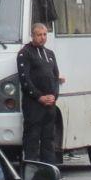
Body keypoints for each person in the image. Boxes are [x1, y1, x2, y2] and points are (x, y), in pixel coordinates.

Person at [17, 22, 63, 167]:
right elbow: (25, 79)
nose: (42, 38)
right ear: (32, 36)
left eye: (44, 34)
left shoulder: (49, 54)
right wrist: (39, 97)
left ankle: (49, 169)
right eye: (39, 35)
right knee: (32, 138)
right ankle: (31, 170)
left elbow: (56, 77)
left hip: (50, 104)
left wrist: (54, 96)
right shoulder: (25, 53)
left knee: (48, 138)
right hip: (34, 104)